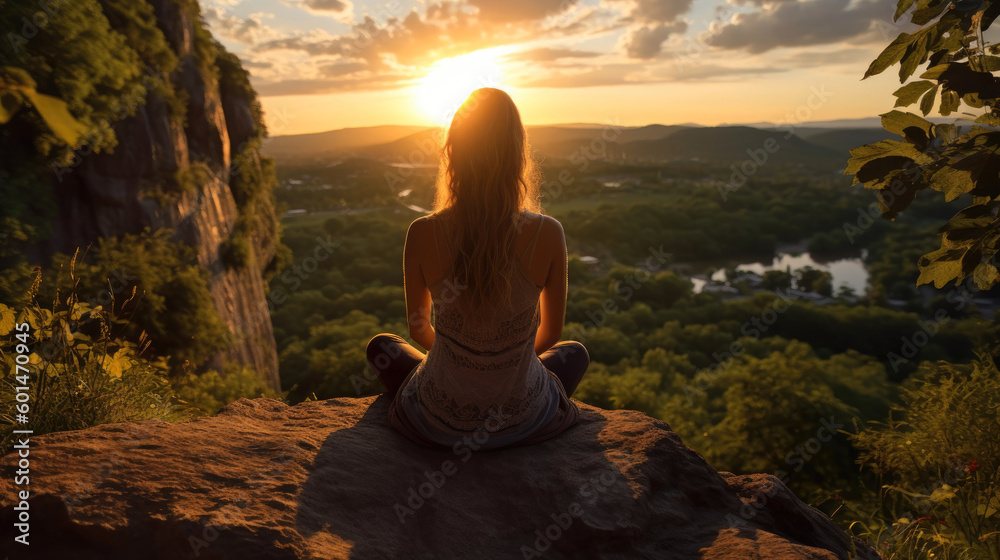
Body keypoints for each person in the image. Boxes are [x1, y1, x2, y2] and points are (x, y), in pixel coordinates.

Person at [366, 87, 589, 450]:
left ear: (453, 153)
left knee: (383, 346)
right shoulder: (547, 233)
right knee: (575, 352)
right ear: (518, 155)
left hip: (438, 418)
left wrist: (464, 364)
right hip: (521, 417)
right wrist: (499, 366)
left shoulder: (422, 232)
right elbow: (549, 334)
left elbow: (419, 329)